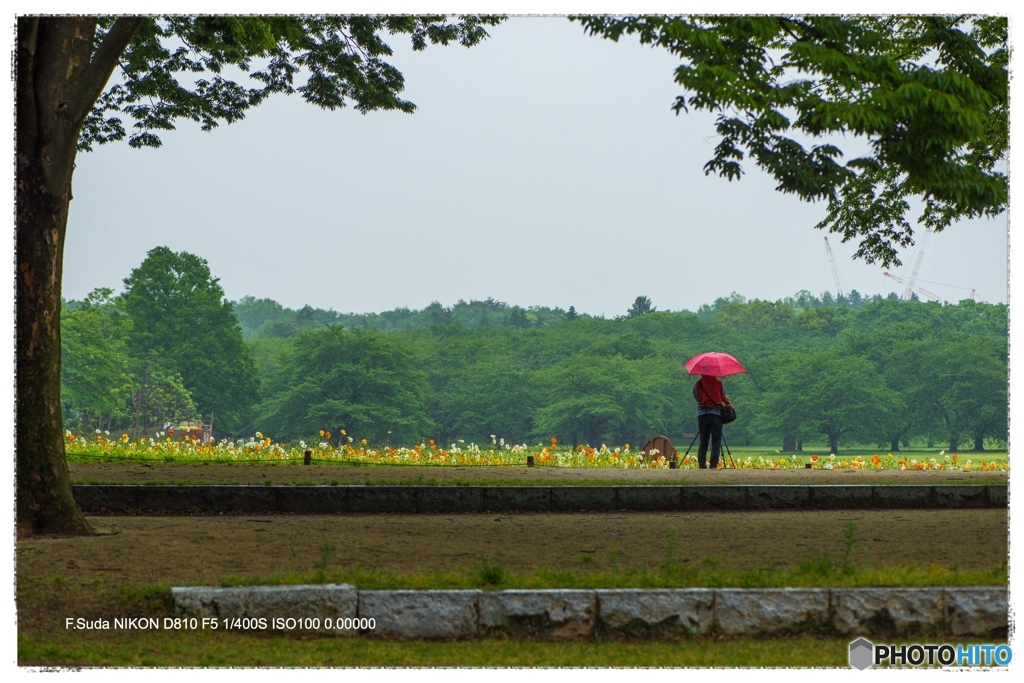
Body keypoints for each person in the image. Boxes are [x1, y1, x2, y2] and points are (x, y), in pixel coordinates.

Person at [692, 374, 731, 469]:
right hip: (716, 416)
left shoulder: (697, 384)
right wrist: (729, 405)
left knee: (703, 442)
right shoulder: (718, 384)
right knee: (716, 442)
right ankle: (713, 465)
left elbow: (697, 398)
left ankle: (702, 465)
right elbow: (725, 399)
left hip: (702, 416)